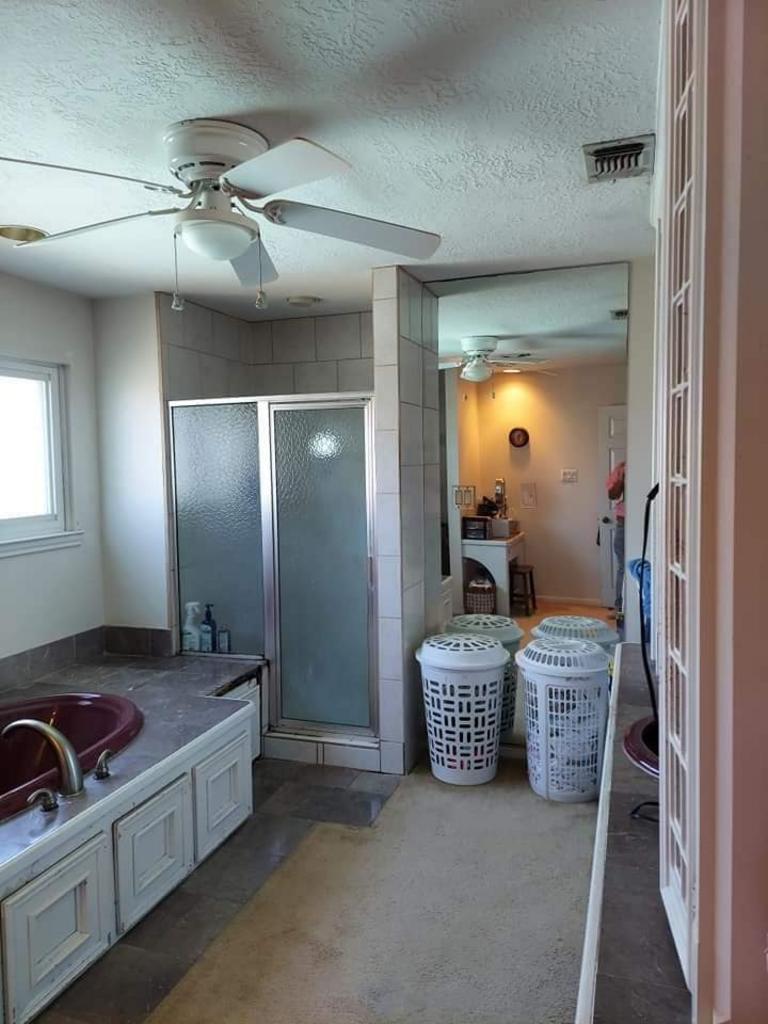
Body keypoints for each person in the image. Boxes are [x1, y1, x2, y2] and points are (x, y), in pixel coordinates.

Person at [606, 460, 626, 622]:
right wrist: (622, 479)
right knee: (623, 567)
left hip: (644, 520)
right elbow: (612, 495)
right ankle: (619, 608)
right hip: (622, 524)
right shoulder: (620, 469)